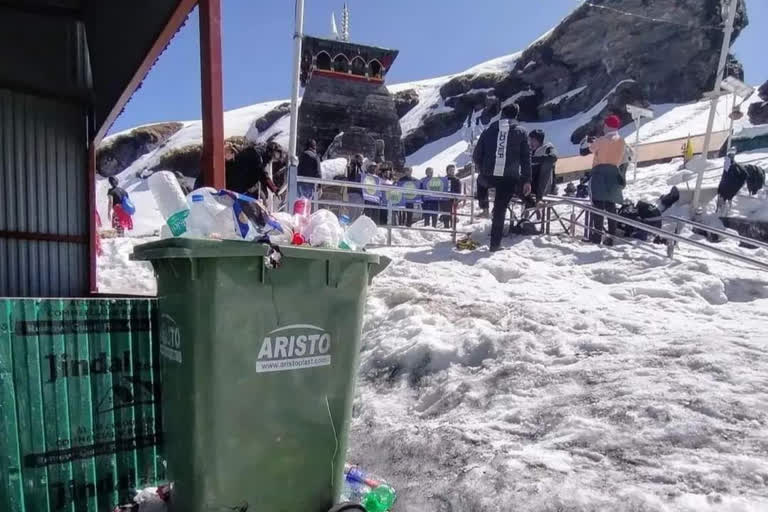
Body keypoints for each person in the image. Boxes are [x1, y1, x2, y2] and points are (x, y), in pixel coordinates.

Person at [472, 102, 532, 252]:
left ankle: (483, 203)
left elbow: (476, 154)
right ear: (516, 115)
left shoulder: (488, 130)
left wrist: (482, 168)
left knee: (481, 181)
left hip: (488, 175)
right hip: (509, 177)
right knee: (500, 210)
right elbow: (526, 158)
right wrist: (526, 180)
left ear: (502, 114)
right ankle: (495, 245)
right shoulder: (521, 132)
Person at [588, 114, 627, 246]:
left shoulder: (601, 140)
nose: (603, 127)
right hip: (614, 173)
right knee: (611, 206)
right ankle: (611, 236)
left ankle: (597, 236)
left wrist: (593, 141)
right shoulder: (622, 141)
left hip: (600, 173)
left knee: (598, 205)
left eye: (605, 125)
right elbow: (623, 158)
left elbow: (591, 148)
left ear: (608, 126)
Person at [528, 129, 558, 220]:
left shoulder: (548, 148)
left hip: (544, 184)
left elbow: (554, 157)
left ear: (539, 140)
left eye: (533, 140)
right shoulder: (529, 149)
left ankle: (539, 199)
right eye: (530, 140)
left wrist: (535, 160)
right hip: (530, 182)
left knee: (546, 164)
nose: (530, 143)